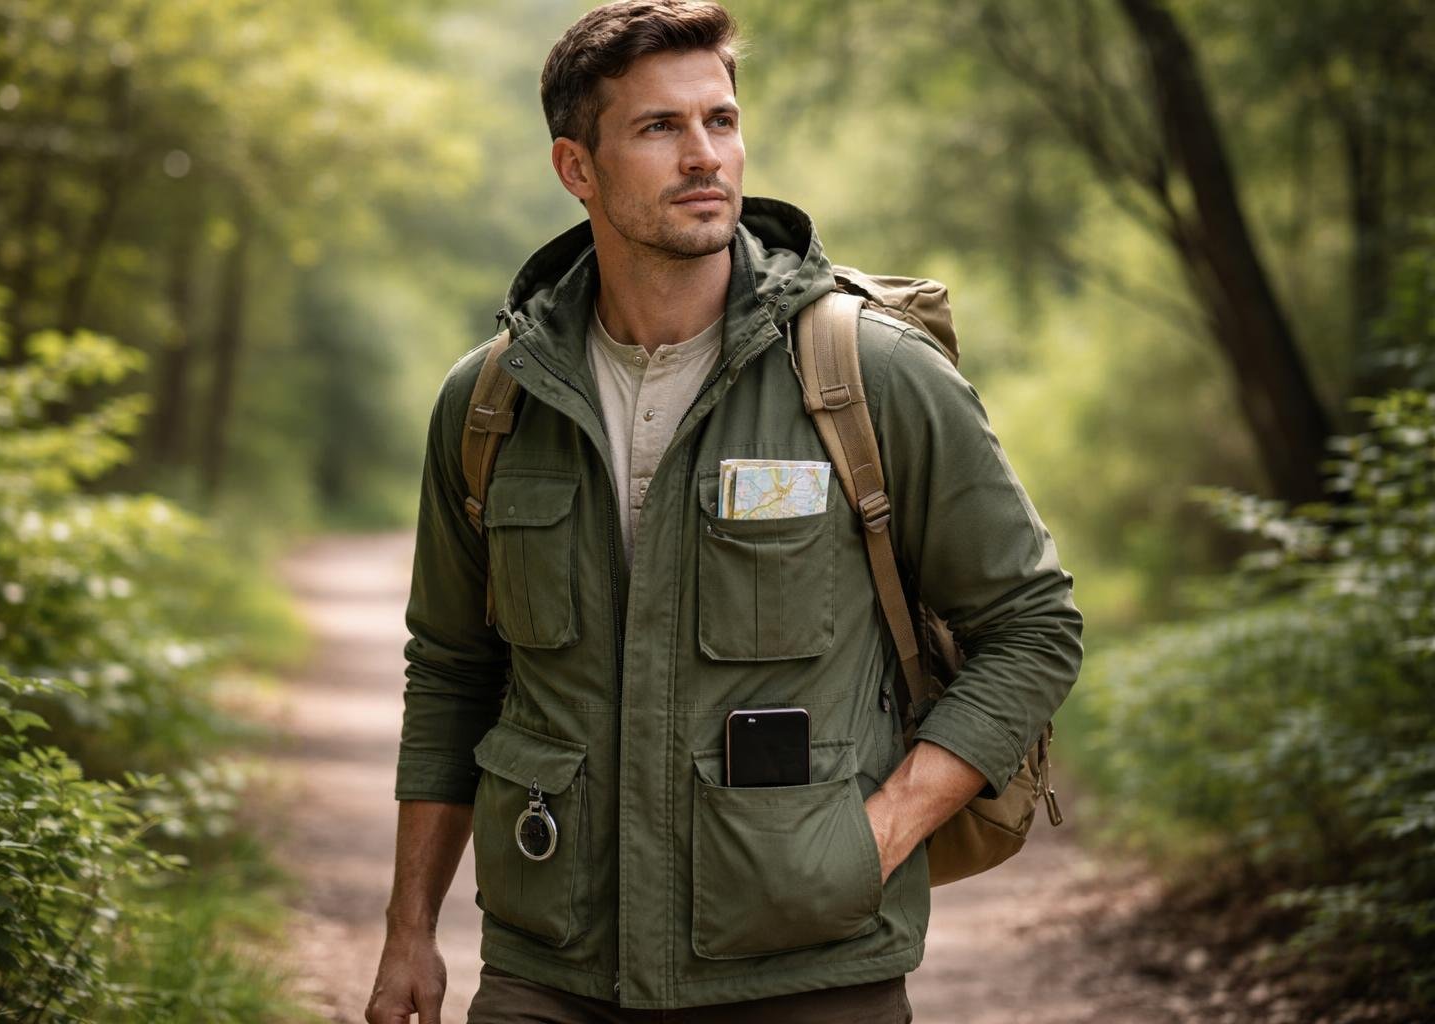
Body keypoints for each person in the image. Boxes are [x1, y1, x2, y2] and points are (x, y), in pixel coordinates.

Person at [364, 2, 1084, 1021]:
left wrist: (872, 840)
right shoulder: (492, 402)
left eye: (721, 120)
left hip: (806, 968)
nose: (704, 154)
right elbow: (451, 671)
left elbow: (1033, 627)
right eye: (660, 127)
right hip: (551, 968)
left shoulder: (869, 373)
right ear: (577, 167)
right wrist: (409, 930)